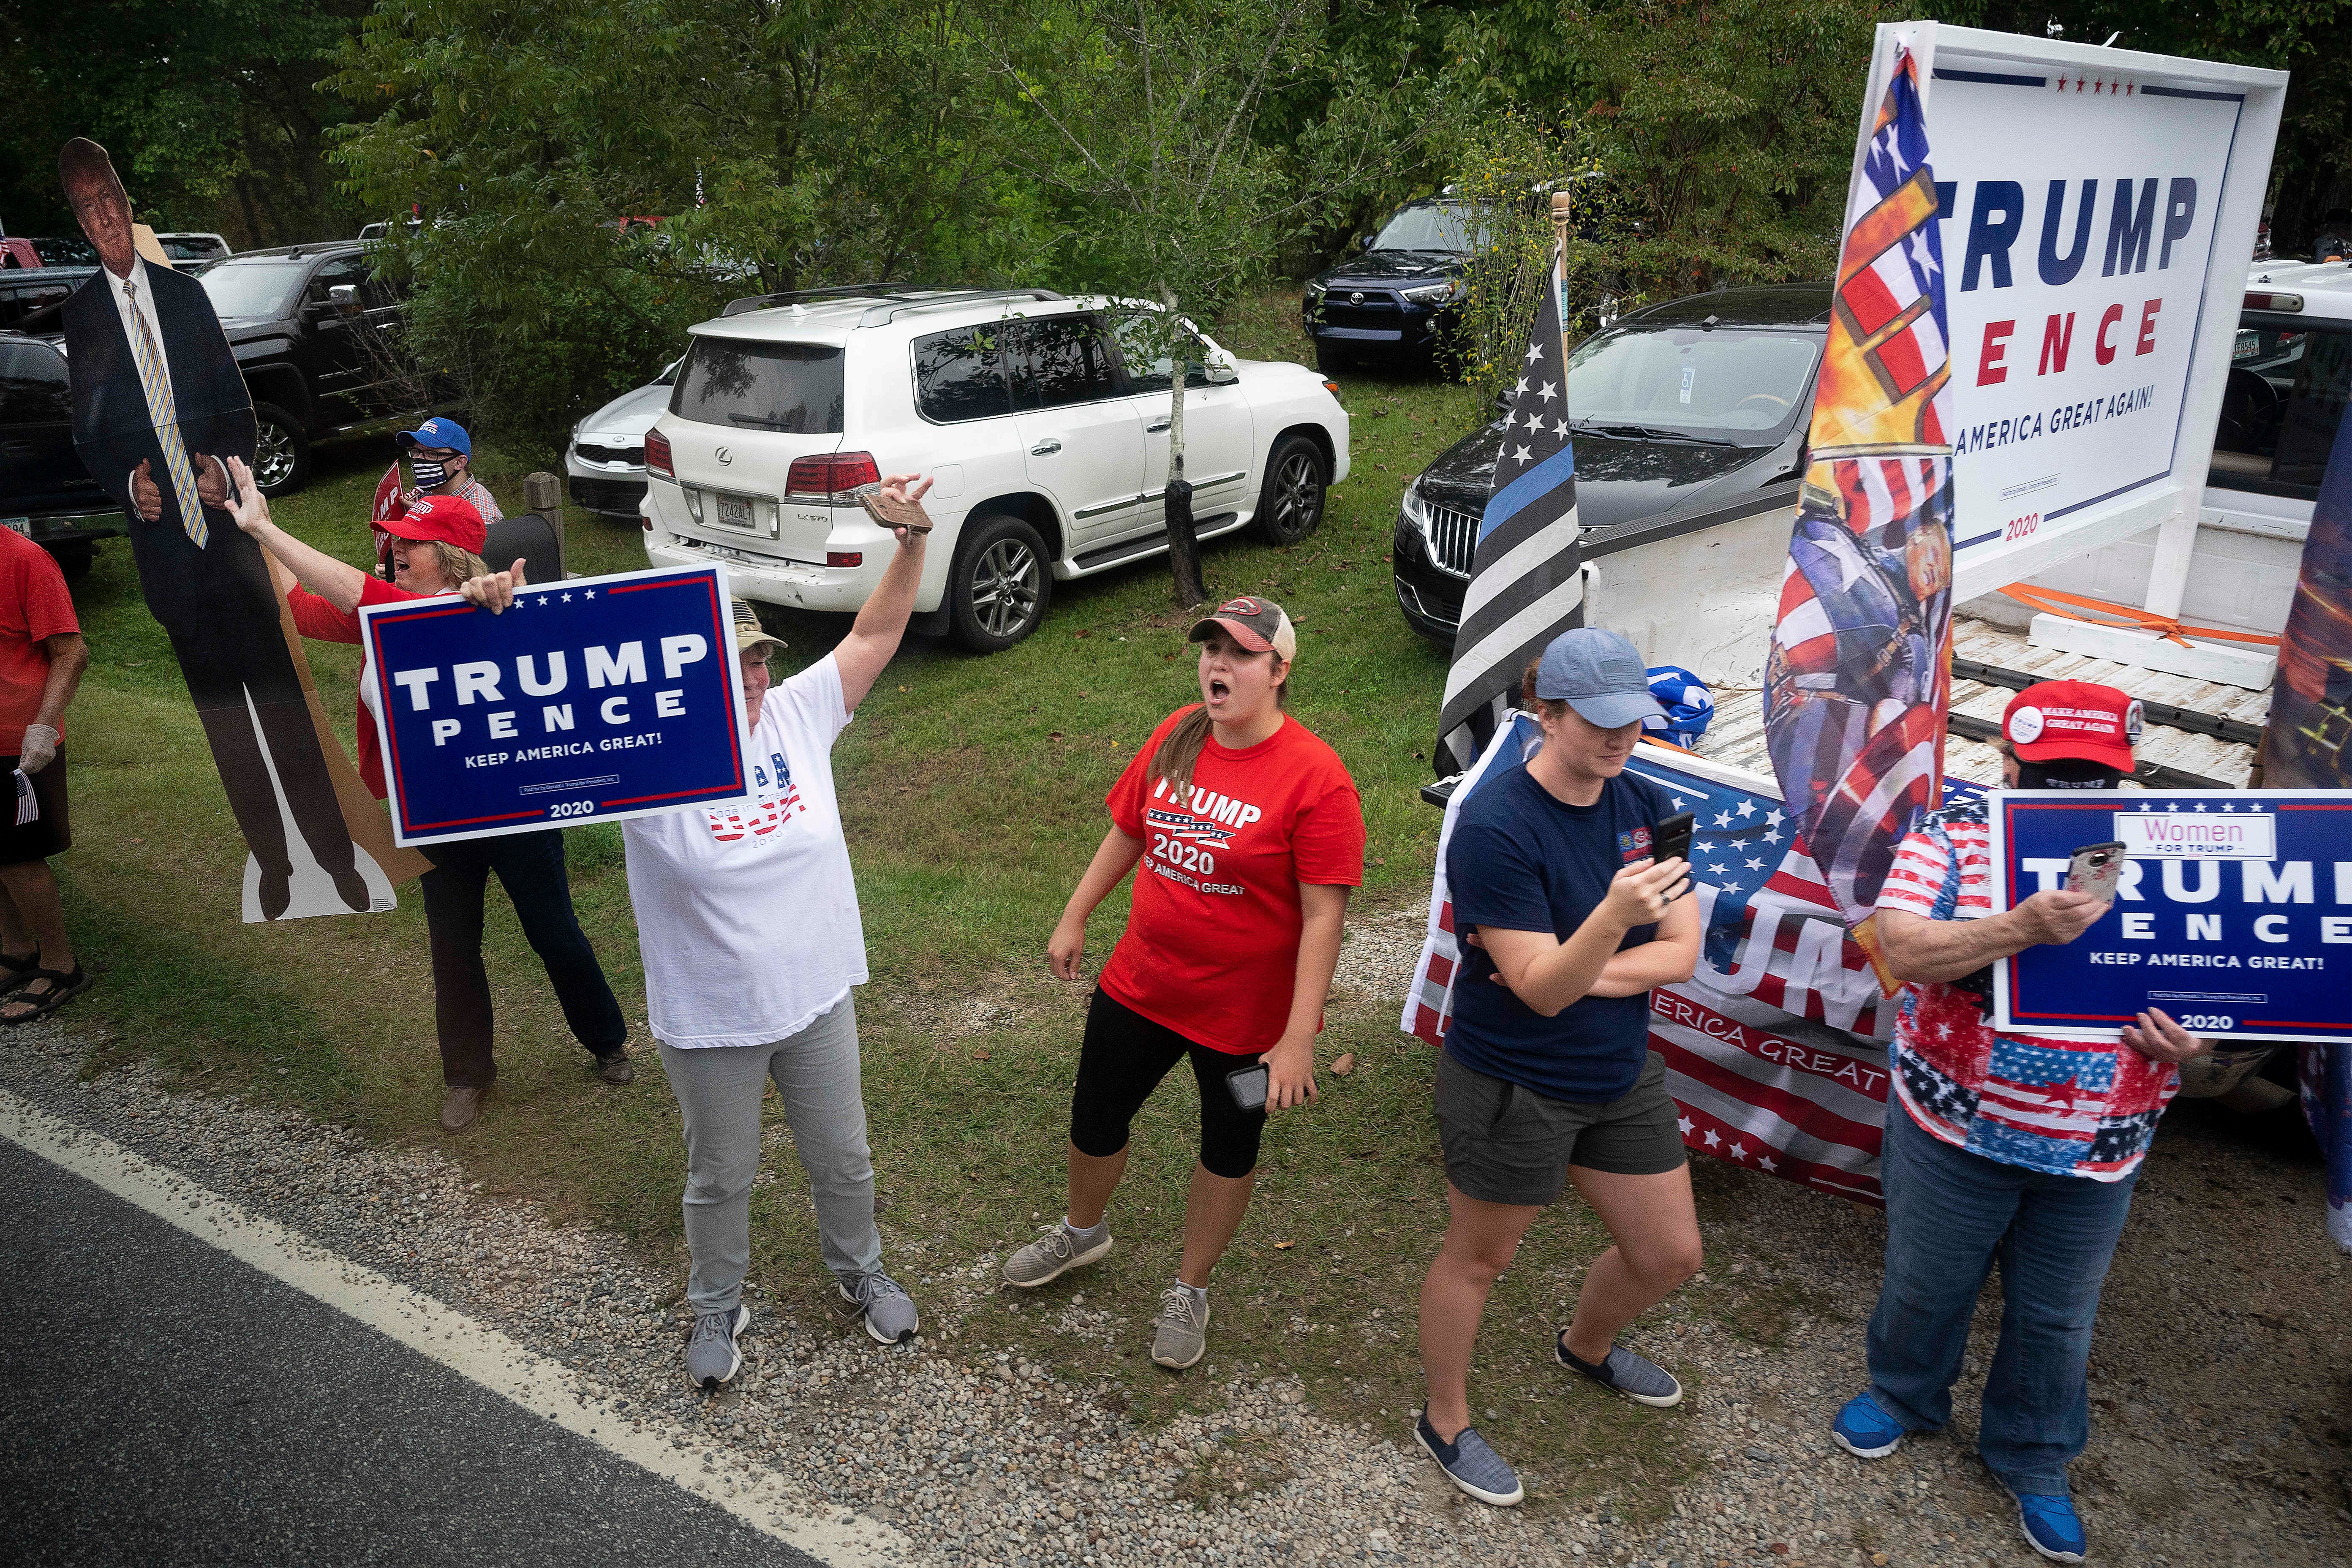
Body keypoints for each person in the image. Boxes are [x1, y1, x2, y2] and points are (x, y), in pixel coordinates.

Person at [463, 476, 933, 1388]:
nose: (756, 677)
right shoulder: (642, 755)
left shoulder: (798, 713)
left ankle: (860, 1268)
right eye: (737, 662)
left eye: (762, 659)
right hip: (714, 1015)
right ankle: (718, 1302)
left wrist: (911, 543)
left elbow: (873, 634)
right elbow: (521, 709)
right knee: (720, 1175)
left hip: (814, 994)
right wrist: (492, 616)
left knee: (843, 1155)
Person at [1830, 680, 2210, 1565]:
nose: (2074, 792)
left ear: (2125, 771)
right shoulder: (1955, 831)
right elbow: (1898, 942)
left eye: (2092, 775)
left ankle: (2034, 1454)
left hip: (2099, 1144)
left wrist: (2200, 1037)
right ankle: (1904, 1393)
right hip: (1955, 1127)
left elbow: (2233, 972)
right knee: (1927, 1280)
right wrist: (2020, 927)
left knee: (2058, 1319)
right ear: (2007, 762)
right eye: (2053, 772)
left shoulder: (2177, 846)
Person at [1002, 596, 1364, 1372]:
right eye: (1209, 650)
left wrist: (1297, 1037)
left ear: (1279, 670)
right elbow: (1131, 827)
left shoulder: (1316, 778)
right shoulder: (1179, 732)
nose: (1216, 666)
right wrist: (1075, 916)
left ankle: (1190, 1285)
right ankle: (1082, 1229)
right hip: (1141, 983)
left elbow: (1322, 918)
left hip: (1241, 1019)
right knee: (1096, 1116)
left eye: (1237, 654)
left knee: (1227, 1146)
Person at [220, 458, 633, 1132]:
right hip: (435, 812)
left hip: (513, 805)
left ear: (448, 556)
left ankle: (607, 1039)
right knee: (452, 945)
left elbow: (359, 591)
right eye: (394, 540)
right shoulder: (385, 616)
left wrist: (270, 528)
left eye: (408, 543)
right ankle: (467, 1077)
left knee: (553, 932)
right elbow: (300, 604)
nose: (394, 551)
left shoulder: (478, 612)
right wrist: (250, 530)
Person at [1415, 627, 1701, 1508]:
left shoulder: (1644, 803)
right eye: (1601, 721)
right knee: (1480, 1256)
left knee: (1670, 1253)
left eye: (1635, 721)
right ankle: (1445, 1417)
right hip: (1514, 1079)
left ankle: (1583, 1344)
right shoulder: (1497, 825)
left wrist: (1575, 970)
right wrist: (1609, 924)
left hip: (1616, 1069)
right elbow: (1538, 998)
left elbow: (1682, 953)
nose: (1622, 738)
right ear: (1545, 714)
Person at [57, 136, 365, 921]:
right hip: (169, 564)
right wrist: (131, 484)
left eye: (110, 201)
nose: (103, 218)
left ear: (128, 205)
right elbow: (89, 434)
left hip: (230, 544)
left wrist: (225, 470)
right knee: (228, 728)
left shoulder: (185, 298)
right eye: (86, 208)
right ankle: (273, 865)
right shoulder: (84, 316)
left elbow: (235, 407)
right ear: (80, 220)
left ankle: (335, 858)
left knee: (283, 710)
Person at [0, 526, 90, 1024]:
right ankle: (16, 948)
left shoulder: (26, 560)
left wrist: (43, 725)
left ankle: (60, 963)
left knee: (18, 859)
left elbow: (71, 651)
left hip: (18, 746)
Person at [395, 416, 503, 524]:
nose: (419, 459)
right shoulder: (436, 489)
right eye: (416, 451)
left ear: (459, 462)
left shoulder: (477, 521)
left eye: (431, 454)